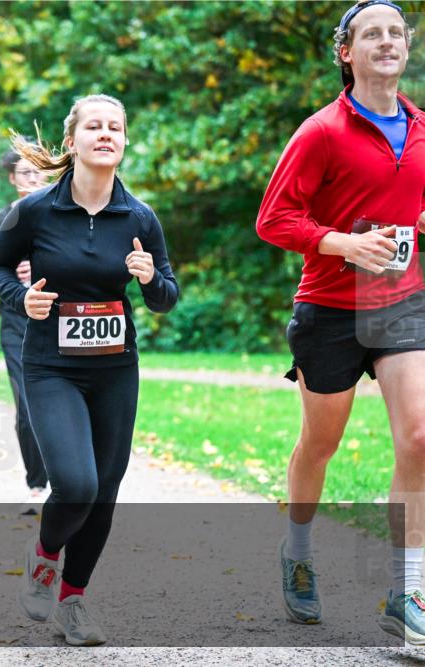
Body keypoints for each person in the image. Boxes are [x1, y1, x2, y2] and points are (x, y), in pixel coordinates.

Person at [255, 0, 425, 643]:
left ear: (406, 48)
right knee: (320, 445)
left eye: (396, 33)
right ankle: (297, 549)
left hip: (404, 304)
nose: (386, 42)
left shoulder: (423, 128)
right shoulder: (321, 131)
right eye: (370, 34)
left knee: (419, 437)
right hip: (329, 307)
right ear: (346, 53)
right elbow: (274, 220)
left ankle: (405, 590)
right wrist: (343, 244)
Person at [0, 94, 178, 645]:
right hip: (51, 365)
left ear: (124, 142)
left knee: (105, 491)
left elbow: (166, 296)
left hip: (116, 368)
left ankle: (74, 601)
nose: (106, 134)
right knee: (76, 483)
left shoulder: (139, 217)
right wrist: (22, 300)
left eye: (116, 127)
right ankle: (45, 554)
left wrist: (148, 278)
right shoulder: (37, 209)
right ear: (74, 141)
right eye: (94, 126)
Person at [0, 144, 51, 512]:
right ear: (12, 178)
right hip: (16, 325)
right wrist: (11, 277)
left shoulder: (61, 215)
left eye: (39, 170)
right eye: (26, 172)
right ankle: (37, 486)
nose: (33, 178)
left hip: (59, 322)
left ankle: (69, 480)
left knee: (61, 401)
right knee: (26, 402)